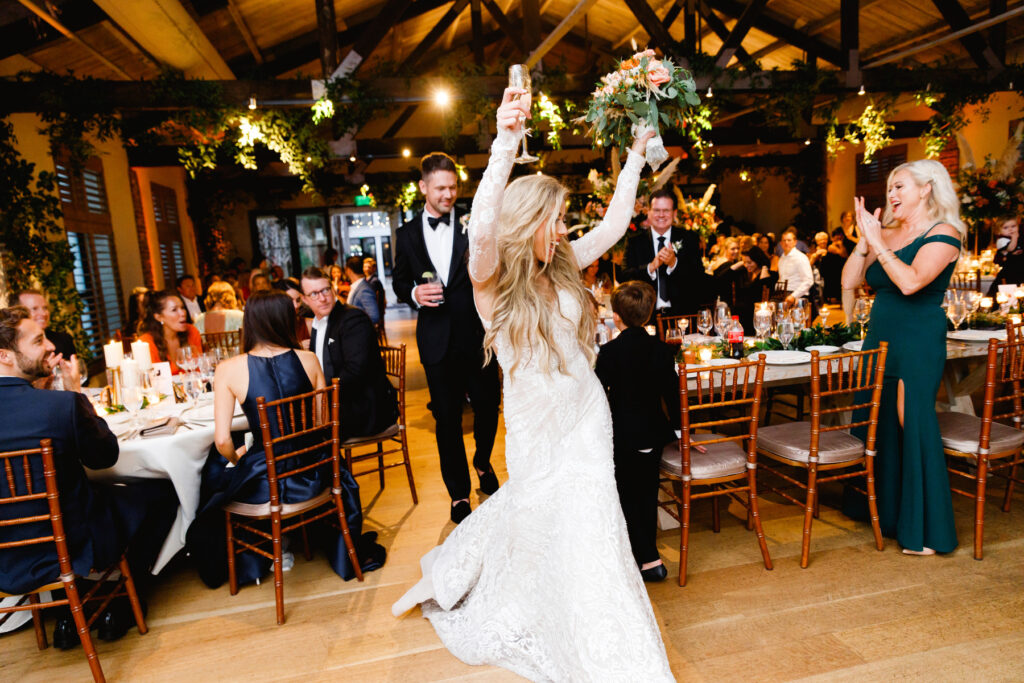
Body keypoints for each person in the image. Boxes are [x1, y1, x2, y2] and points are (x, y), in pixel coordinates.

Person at [392, 88, 673, 680]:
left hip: (586, 414)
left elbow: (619, 223)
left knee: (592, 513)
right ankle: (530, 600)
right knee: (540, 514)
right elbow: (487, 227)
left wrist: (633, 159)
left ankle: (598, 623)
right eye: (557, 219)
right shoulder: (491, 281)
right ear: (531, 223)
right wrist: (502, 143)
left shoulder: (567, 262)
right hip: (534, 424)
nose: (566, 228)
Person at [0, 306, 176, 647]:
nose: (50, 346)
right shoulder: (59, 406)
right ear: (4, 355)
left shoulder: (51, 403)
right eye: (38, 340)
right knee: (162, 491)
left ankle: (71, 615)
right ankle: (123, 605)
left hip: (6, 554)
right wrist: (73, 394)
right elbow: (104, 457)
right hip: (70, 542)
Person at [185, 291, 385, 588]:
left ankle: (261, 555)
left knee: (214, 475)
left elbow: (223, 440)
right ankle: (290, 540)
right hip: (314, 472)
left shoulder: (228, 369)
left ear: (250, 322)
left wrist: (239, 460)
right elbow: (322, 423)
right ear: (286, 321)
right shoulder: (309, 359)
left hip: (267, 480)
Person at [840, 159, 964, 556]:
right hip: (879, 339)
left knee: (913, 425)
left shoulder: (944, 232)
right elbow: (849, 281)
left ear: (926, 189)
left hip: (917, 339)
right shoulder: (887, 233)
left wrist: (878, 244)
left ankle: (927, 531)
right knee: (881, 426)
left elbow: (911, 282)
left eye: (900, 187)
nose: (891, 195)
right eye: (890, 188)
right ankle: (890, 517)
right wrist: (865, 240)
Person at [392, 151, 502, 524]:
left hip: (478, 334)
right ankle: (458, 493)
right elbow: (398, 282)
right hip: (436, 340)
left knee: (488, 406)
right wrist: (413, 295)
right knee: (447, 419)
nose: (448, 194)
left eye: (453, 187)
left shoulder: (475, 222)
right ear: (423, 187)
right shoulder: (405, 234)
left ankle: (483, 461)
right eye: (440, 188)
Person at [595, 281, 679, 583]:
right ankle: (647, 555)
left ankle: (649, 559)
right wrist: (683, 435)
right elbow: (673, 395)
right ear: (647, 315)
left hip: (622, 435)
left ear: (616, 317)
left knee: (627, 495)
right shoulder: (661, 350)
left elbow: (598, 397)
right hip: (653, 434)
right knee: (647, 492)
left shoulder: (608, 353)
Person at [300, 267, 398, 440]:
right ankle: (332, 466)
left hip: (364, 408)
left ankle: (333, 466)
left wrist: (321, 396)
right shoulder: (318, 322)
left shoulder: (353, 319)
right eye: (314, 294)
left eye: (325, 290)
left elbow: (355, 373)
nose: (322, 298)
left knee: (305, 431)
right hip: (340, 402)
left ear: (332, 288)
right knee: (294, 424)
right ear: (305, 299)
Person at [624, 187, 709, 321]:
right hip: (646, 319)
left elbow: (699, 280)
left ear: (674, 214)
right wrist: (650, 267)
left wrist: (674, 264)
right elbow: (625, 277)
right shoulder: (635, 242)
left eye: (666, 210)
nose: (661, 215)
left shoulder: (689, 238)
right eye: (657, 210)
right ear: (649, 212)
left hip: (682, 317)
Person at [136, 291, 203, 374]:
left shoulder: (191, 331)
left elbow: (199, 368)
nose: (182, 313)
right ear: (159, 317)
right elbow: (151, 377)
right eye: (174, 310)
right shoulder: (146, 343)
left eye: (182, 308)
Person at [13, 289, 75, 359]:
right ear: (18, 314)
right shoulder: (13, 349)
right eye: (34, 309)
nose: (44, 313)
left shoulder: (65, 340)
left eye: (45, 308)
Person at [733, 246, 778, 334]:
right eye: (744, 262)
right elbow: (721, 277)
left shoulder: (767, 275)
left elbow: (764, 291)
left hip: (755, 315)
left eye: (749, 262)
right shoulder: (744, 273)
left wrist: (764, 274)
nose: (746, 265)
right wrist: (738, 264)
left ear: (758, 260)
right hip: (741, 313)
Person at [987, 215, 1024, 296]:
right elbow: (1010, 248)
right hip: (1010, 272)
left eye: (1013, 226)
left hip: (1020, 271)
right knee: (1008, 294)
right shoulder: (1001, 240)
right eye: (1006, 228)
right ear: (999, 231)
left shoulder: (1020, 237)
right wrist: (1015, 238)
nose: (1010, 229)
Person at [777, 227, 814, 305]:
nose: (786, 243)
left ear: (795, 242)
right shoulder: (781, 259)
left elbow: (808, 280)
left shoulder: (800, 257)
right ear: (780, 243)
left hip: (797, 296)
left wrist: (793, 296)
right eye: (784, 240)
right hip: (782, 295)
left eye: (789, 240)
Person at [836, 210, 861, 323]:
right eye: (846, 216)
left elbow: (860, 241)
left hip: (854, 256)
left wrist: (850, 238)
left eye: (850, 217)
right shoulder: (839, 230)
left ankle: (856, 305)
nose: (847, 218)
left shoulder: (856, 228)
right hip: (841, 257)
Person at [344, 255, 380, 324]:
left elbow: (374, 317)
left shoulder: (364, 290)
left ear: (348, 270)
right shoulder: (357, 287)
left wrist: (354, 325)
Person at [276, 277, 312, 346]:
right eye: (290, 301)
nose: (296, 306)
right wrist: (299, 346)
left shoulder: (309, 324)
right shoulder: (273, 327)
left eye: (298, 300)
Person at [362, 256, 387, 325]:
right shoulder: (365, 280)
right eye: (365, 267)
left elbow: (368, 295)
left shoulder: (374, 281)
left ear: (374, 269)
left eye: (368, 267)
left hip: (373, 311)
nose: (366, 269)